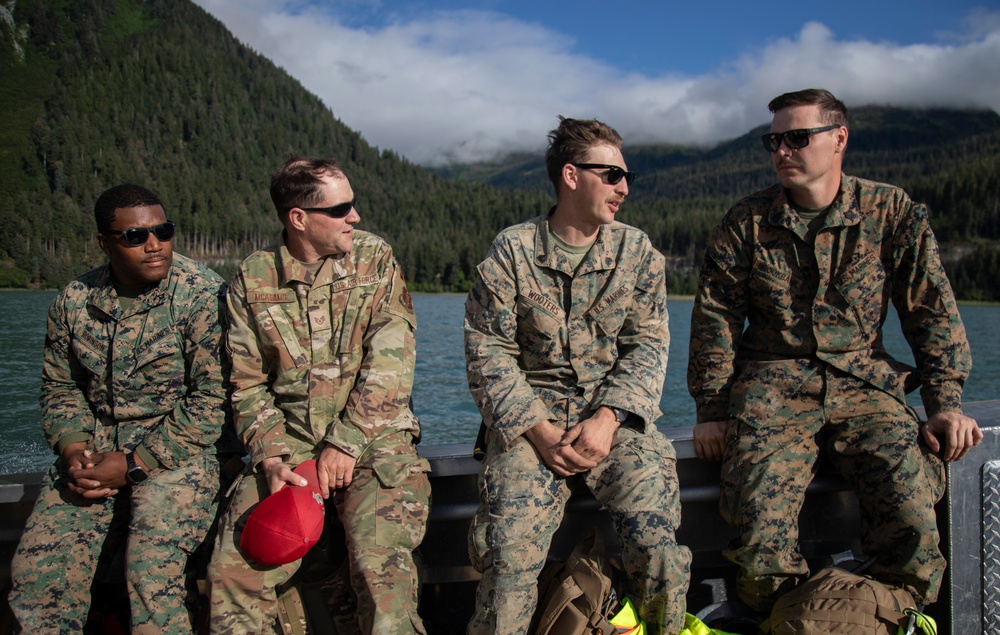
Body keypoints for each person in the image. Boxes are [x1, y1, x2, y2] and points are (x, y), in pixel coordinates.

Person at [688, 88, 983, 614]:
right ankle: (781, 622)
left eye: (797, 138)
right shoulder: (747, 222)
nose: (782, 150)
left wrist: (944, 403)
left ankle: (888, 619)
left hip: (866, 385)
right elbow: (717, 321)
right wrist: (712, 410)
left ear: (838, 138)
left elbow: (930, 310)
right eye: (773, 140)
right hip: (771, 389)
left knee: (912, 511)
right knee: (757, 532)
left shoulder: (890, 211)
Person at [464, 117, 692, 634]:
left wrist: (609, 418)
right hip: (532, 419)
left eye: (626, 177)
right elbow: (488, 351)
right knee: (509, 559)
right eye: (611, 175)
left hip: (615, 417)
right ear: (571, 175)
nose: (623, 188)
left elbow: (648, 345)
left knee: (657, 549)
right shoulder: (513, 251)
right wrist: (539, 432)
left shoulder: (637, 254)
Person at [208, 157, 430, 634]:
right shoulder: (253, 279)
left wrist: (346, 441)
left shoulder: (374, 259)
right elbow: (246, 385)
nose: (356, 216)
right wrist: (270, 457)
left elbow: (392, 363)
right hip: (290, 446)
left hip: (375, 440)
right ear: (299, 218)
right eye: (342, 208)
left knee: (381, 575)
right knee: (233, 572)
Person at [9, 184, 234, 633]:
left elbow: (213, 401)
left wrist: (134, 464)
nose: (154, 245)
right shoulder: (75, 302)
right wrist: (73, 450)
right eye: (135, 236)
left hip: (182, 454)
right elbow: (61, 386)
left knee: (151, 570)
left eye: (163, 231)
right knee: (37, 574)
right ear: (104, 242)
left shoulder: (203, 296)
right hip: (96, 451)